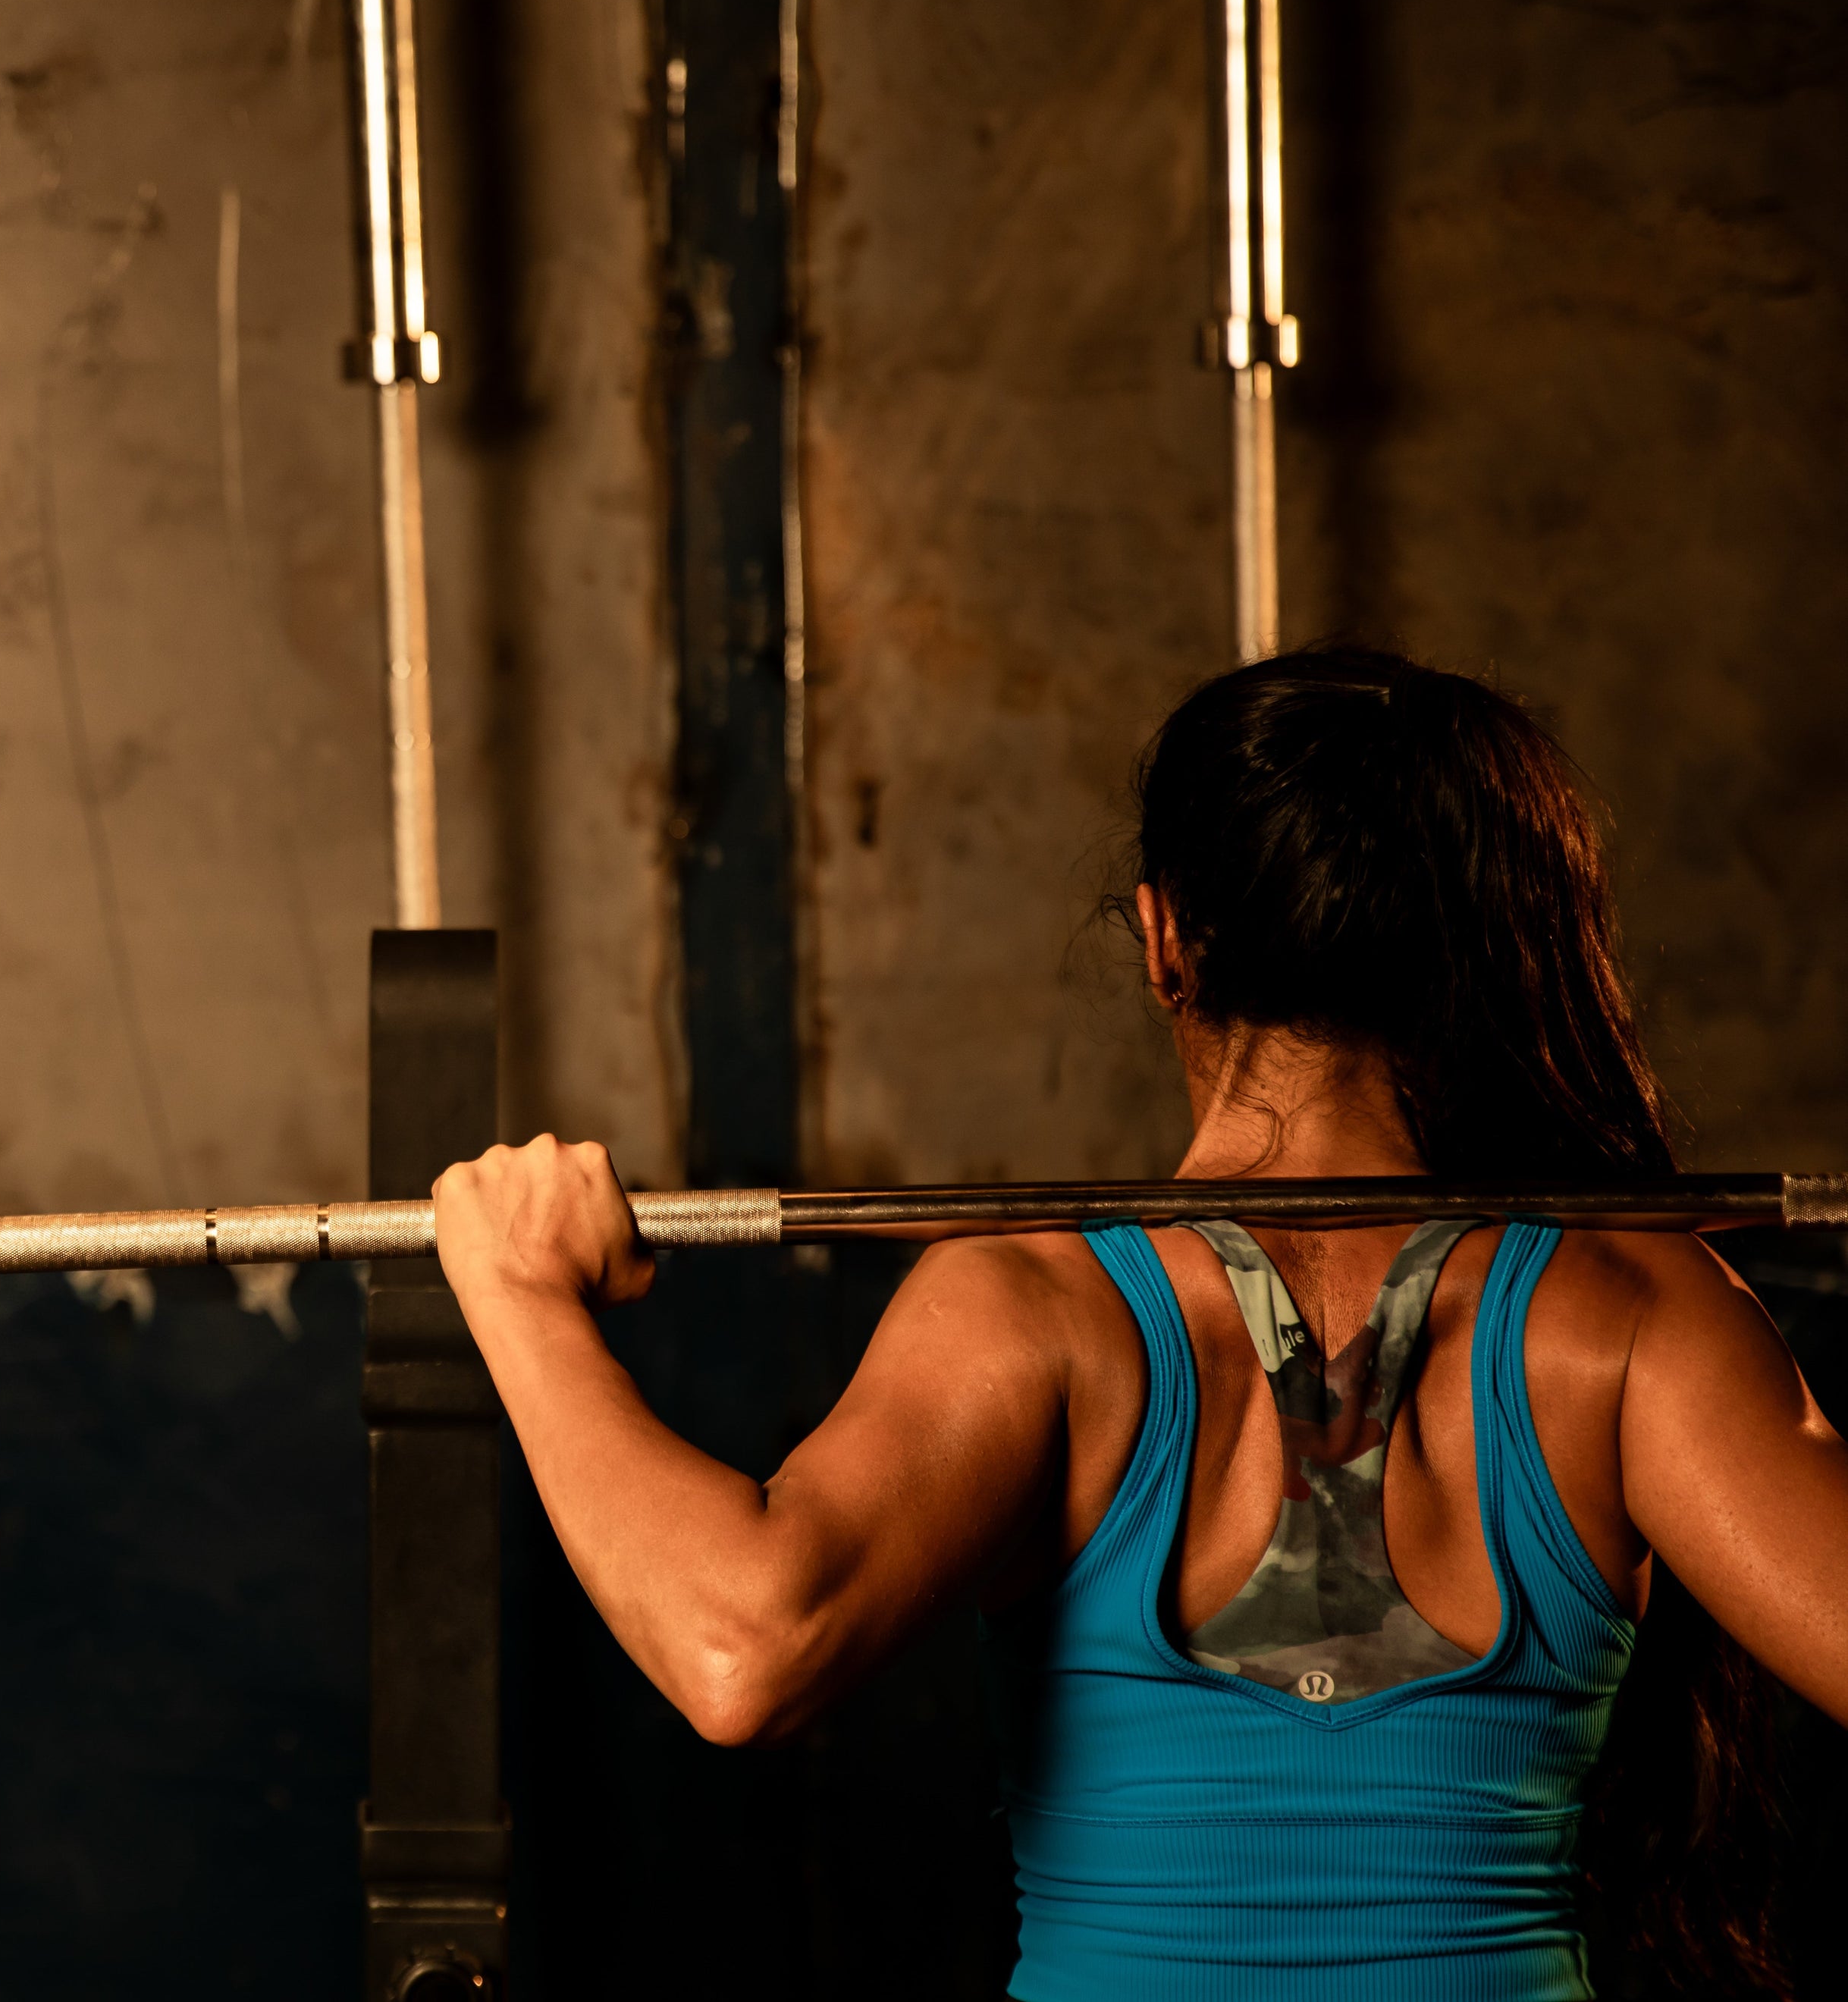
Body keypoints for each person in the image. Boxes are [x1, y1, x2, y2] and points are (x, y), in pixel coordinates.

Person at [431, 648, 1846, 2000]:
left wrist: (519, 1295)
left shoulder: (1034, 1308)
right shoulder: (1636, 1316)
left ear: (1167, 933)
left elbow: (739, 1649)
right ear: (1461, 942)